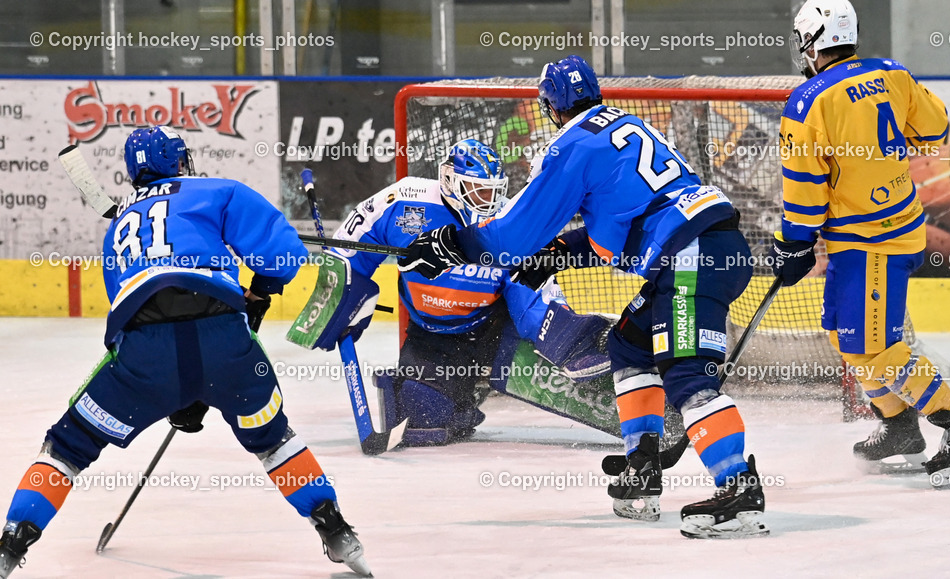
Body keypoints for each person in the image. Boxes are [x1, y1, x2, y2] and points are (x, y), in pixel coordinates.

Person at [398, 56, 768, 539]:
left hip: (690, 257)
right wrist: (552, 257)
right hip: (700, 245)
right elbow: (615, 230)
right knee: (629, 349)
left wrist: (451, 244)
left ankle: (739, 490)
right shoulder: (625, 125)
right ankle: (644, 469)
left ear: (550, 105)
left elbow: (512, 236)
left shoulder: (571, 145)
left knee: (687, 375)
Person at [0, 126, 371, 577]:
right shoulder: (216, 190)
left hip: (144, 357)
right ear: (179, 162)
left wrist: (177, 390)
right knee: (274, 441)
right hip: (226, 344)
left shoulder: (119, 225)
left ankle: (12, 542)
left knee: (67, 446)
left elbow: (136, 312)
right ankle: (337, 530)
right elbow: (283, 255)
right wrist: (261, 294)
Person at [772, 0, 950, 485]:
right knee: (843, 335)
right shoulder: (892, 73)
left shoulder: (808, 102)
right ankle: (899, 426)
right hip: (890, 230)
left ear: (813, 42)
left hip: (872, 242)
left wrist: (791, 242)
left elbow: (805, 187)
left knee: (876, 348)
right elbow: (935, 126)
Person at [298, 138, 614, 446]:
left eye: (493, 191)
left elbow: (535, 285)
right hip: (432, 336)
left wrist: (561, 336)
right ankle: (461, 398)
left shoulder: (508, 219)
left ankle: (594, 354)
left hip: (495, 326)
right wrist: (341, 290)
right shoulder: (406, 199)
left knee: (551, 327)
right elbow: (353, 242)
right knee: (423, 418)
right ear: (450, 180)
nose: (488, 200)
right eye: (478, 189)